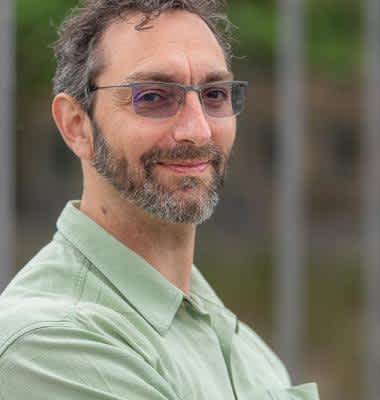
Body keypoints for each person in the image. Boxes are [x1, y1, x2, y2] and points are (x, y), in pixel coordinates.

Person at [0, 1, 319, 399]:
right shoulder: (47, 345)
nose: (198, 131)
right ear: (77, 125)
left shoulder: (247, 351)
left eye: (214, 94)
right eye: (152, 97)